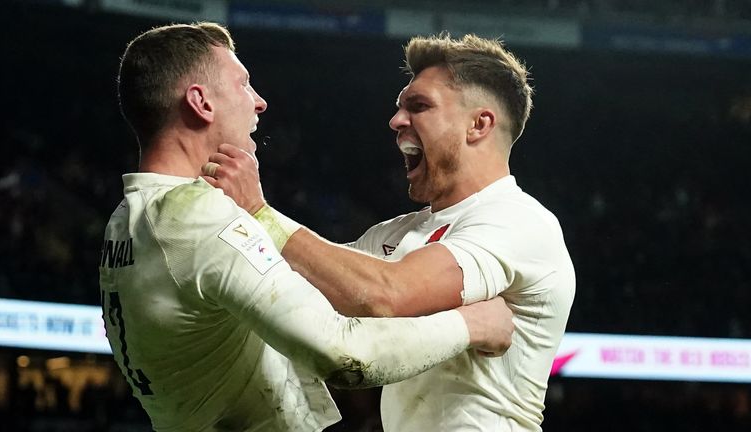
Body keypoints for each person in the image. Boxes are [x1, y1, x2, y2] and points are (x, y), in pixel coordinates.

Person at [99, 23, 517, 432]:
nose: (259, 102)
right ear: (201, 103)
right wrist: (471, 324)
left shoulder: (125, 220)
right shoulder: (200, 218)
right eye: (243, 85)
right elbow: (342, 353)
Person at [204, 33, 575, 431]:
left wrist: (259, 212)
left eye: (419, 106)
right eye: (400, 107)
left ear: (478, 124)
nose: (396, 120)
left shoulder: (519, 221)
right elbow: (303, 285)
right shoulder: (397, 233)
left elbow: (386, 294)